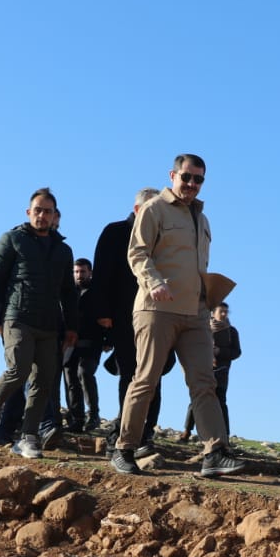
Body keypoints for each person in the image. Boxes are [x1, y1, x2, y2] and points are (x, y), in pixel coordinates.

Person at [111, 155, 244, 478]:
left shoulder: (204, 219)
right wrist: (153, 283)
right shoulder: (155, 209)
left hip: (196, 313)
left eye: (198, 180)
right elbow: (137, 252)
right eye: (186, 177)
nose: (191, 185)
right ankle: (124, 448)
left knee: (204, 382)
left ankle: (214, 452)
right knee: (146, 379)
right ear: (172, 175)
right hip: (156, 310)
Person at [0, 188, 79, 459]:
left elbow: (68, 291)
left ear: (55, 215)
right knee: (18, 368)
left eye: (47, 211)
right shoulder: (12, 239)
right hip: (16, 316)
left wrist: (72, 327)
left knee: (44, 380)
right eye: (38, 210)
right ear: (28, 212)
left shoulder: (64, 250)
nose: (42, 215)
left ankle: (29, 437)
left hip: (48, 323)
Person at [93, 188, 163, 450]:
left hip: (157, 317)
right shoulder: (114, 232)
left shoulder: (161, 236)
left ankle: (146, 433)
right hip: (122, 317)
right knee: (131, 374)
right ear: (137, 210)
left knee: (155, 375)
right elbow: (101, 274)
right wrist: (102, 313)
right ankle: (126, 429)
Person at [64, 257, 111, 433]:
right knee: (70, 378)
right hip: (70, 342)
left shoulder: (99, 291)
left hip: (92, 341)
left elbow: (108, 316)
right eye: (76, 272)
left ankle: (93, 416)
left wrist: (109, 340)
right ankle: (76, 418)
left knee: (84, 373)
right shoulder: (68, 292)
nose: (79, 275)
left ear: (90, 272)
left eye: (82, 271)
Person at [182, 302, 241, 441]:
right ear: (213, 313)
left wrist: (219, 351)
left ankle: (225, 436)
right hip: (203, 369)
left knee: (221, 403)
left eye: (227, 312)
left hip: (221, 373)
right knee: (196, 400)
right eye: (221, 311)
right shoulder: (202, 327)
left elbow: (237, 352)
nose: (224, 314)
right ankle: (186, 432)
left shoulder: (232, 332)